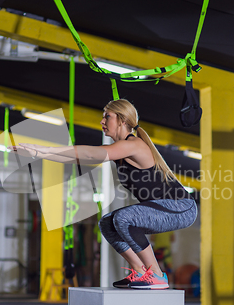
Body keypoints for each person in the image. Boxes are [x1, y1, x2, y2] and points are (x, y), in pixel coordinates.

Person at [11, 99, 197, 289]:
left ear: (123, 120)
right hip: (164, 208)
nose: (102, 121)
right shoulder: (122, 150)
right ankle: (140, 271)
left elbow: (91, 154)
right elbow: (75, 157)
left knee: (124, 218)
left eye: (107, 116)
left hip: (181, 207)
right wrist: (37, 153)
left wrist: (44, 148)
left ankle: (156, 275)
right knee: (107, 223)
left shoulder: (134, 145)